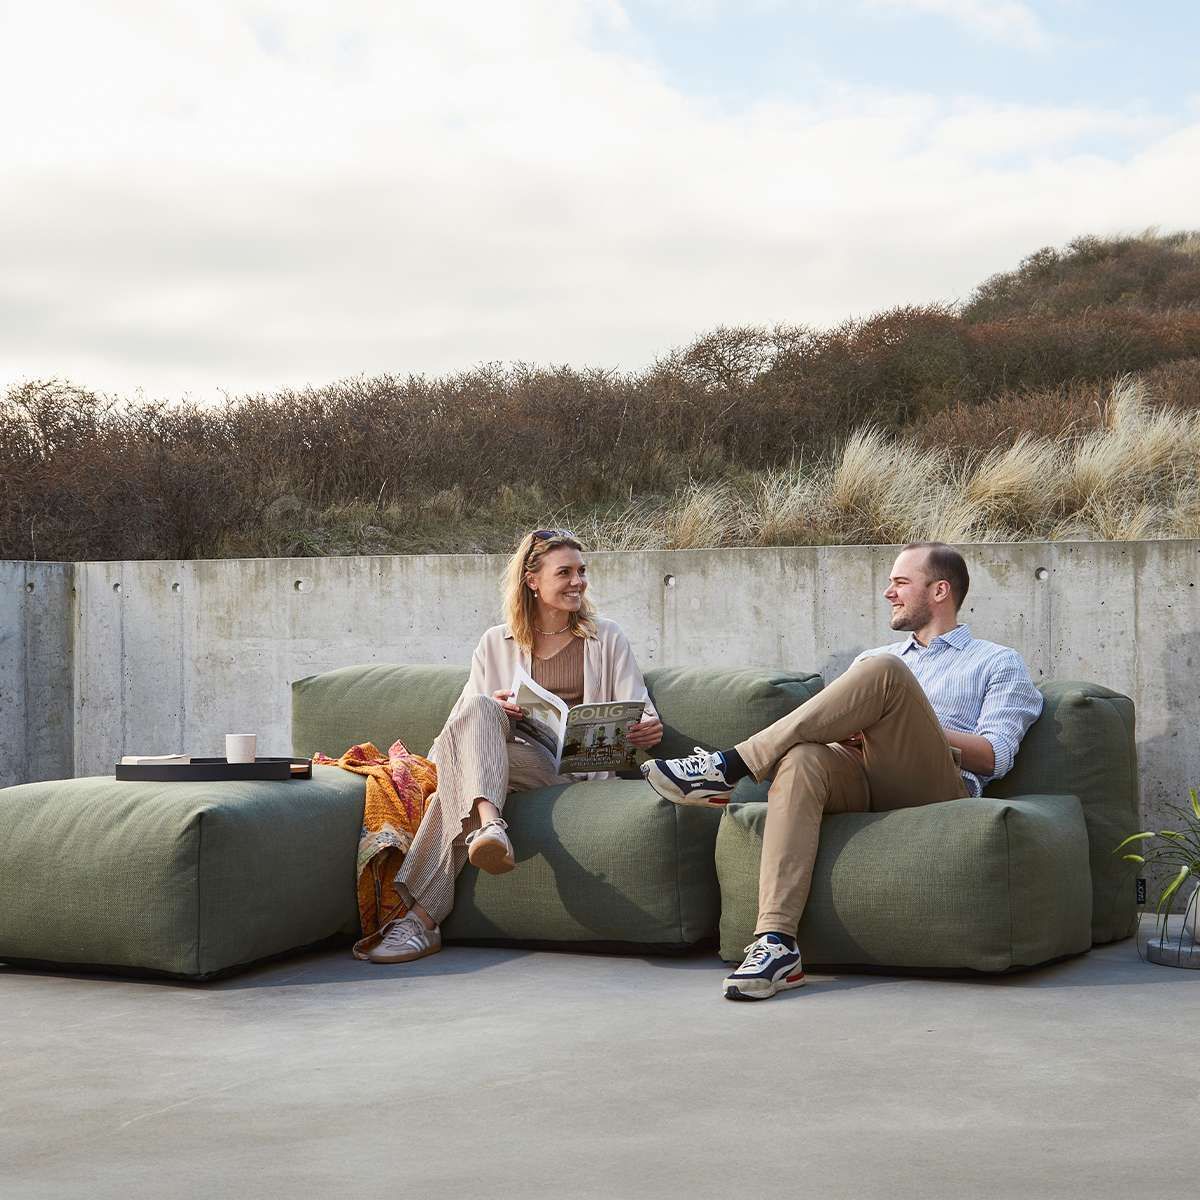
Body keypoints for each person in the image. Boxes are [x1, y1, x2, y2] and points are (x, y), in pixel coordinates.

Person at [641, 542, 1043, 1001]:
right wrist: (860, 731)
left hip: (935, 786)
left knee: (886, 672)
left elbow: (994, 756)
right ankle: (776, 943)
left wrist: (903, 721)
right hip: (863, 776)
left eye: (900, 582)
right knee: (803, 758)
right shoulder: (872, 659)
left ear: (940, 591)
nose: (888, 592)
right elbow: (829, 728)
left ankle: (729, 765)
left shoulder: (995, 661)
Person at [363, 529, 664, 964]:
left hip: (573, 770)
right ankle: (486, 830)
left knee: (464, 768)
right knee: (481, 708)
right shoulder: (495, 642)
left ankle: (421, 918)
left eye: (582, 572)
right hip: (506, 764)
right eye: (565, 573)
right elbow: (455, 733)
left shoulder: (607, 637)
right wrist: (497, 710)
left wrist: (647, 729)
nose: (578, 582)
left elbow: (641, 709)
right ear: (532, 580)